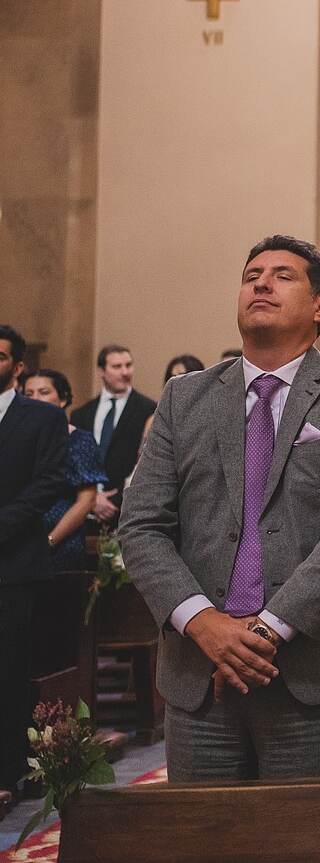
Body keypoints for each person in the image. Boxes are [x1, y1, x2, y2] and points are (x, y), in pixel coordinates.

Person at [120, 235, 320, 781]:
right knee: (206, 840)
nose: (261, 282)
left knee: (309, 841)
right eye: (252, 274)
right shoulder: (186, 397)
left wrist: (266, 631)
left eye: (282, 275)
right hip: (200, 673)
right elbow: (141, 524)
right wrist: (201, 621)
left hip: (317, 673)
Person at [0, 325, 71, 810]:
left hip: (14, 562)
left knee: (7, 670)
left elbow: (49, 484)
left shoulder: (40, 418)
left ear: (17, 366)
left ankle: (6, 772)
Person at [24, 369, 104, 572]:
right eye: (28, 394)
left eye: (43, 392)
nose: (35, 399)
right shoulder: (18, 439)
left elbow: (86, 501)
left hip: (62, 542)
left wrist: (50, 541)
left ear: (62, 399)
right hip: (21, 541)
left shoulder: (79, 440)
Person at [71, 342, 154, 523]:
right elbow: (73, 462)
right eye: (117, 366)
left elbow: (146, 464)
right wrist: (91, 499)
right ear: (101, 371)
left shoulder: (149, 410)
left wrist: (114, 501)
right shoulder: (81, 414)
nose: (125, 372)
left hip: (126, 509)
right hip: (83, 510)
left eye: (128, 365)